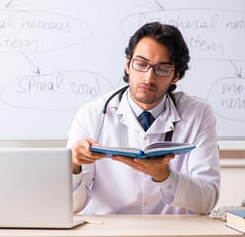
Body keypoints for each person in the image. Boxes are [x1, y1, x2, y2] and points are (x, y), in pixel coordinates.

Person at [67, 22, 220, 215]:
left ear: (175, 76)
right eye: (141, 64)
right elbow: (71, 206)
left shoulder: (198, 113)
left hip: (173, 232)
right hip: (107, 230)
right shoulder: (92, 114)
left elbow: (207, 200)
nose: (148, 78)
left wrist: (163, 175)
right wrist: (73, 166)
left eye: (162, 69)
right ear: (128, 65)